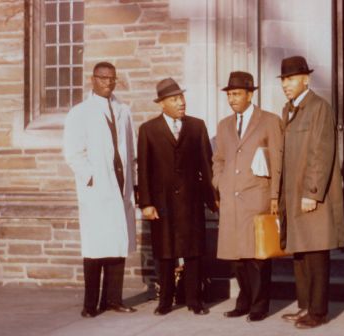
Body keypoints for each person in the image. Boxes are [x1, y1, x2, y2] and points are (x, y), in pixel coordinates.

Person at [137, 77, 217, 316]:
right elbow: (144, 169)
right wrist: (147, 203)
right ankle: (165, 301)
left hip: (191, 201)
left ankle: (195, 300)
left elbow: (207, 165)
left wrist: (212, 199)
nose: (181, 102)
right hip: (162, 203)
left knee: (193, 251)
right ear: (162, 104)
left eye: (181, 97)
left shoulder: (196, 126)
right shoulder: (148, 130)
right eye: (174, 99)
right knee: (165, 251)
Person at [63, 61, 137, 318]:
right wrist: (91, 178)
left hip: (120, 185)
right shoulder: (80, 113)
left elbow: (130, 149)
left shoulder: (123, 110)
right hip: (97, 187)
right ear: (92, 79)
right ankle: (90, 304)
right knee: (95, 248)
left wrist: (131, 182)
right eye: (103, 78)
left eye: (112, 79)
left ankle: (113, 299)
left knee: (117, 244)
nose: (108, 83)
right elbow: (73, 153)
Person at [277, 56, 344, 329]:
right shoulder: (289, 109)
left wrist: (312, 192)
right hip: (293, 194)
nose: (286, 84)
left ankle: (318, 312)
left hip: (311, 194)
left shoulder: (319, 107)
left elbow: (322, 152)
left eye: (291, 79)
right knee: (300, 253)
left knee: (316, 253)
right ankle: (304, 306)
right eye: (283, 80)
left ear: (306, 79)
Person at [212, 71, 283, 322]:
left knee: (257, 256)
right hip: (231, 199)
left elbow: (277, 161)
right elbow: (218, 159)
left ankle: (259, 305)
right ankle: (243, 301)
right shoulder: (224, 125)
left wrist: (275, 196)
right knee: (237, 257)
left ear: (250, 94)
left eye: (237, 94)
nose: (232, 99)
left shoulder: (269, 121)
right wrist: (218, 182)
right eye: (229, 94)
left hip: (257, 197)